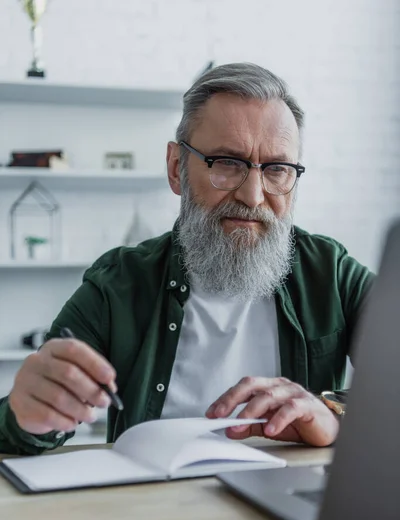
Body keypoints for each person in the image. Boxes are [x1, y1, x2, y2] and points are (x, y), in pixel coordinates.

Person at [0, 63, 374, 455]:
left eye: (277, 169)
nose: (253, 196)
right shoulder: (117, 284)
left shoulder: (331, 273)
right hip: (157, 508)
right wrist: (27, 416)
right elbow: (26, 421)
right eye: (227, 163)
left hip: (289, 505)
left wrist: (333, 415)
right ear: (177, 168)